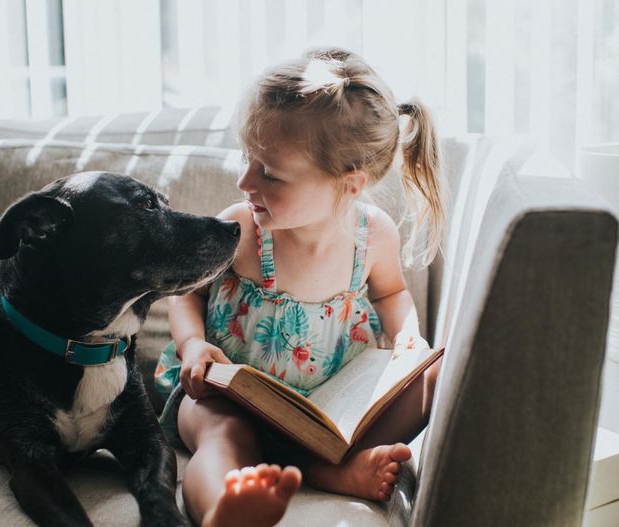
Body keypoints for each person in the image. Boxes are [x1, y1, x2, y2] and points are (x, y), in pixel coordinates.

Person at [153, 47, 446, 527]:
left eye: (268, 172)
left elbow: (391, 294)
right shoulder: (241, 230)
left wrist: (408, 337)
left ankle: (330, 467)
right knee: (223, 434)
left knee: (433, 379)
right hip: (228, 398)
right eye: (247, 159)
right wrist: (192, 345)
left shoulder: (374, 236)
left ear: (349, 185)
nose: (244, 180)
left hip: (326, 415)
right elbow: (189, 291)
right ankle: (223, 508)